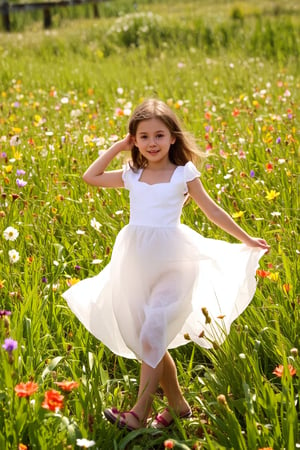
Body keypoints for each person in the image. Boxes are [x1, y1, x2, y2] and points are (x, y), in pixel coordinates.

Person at [62, 98, 269, 431]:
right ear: (135, 141)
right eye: (143, 137)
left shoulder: (182, 173)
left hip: (175, 260)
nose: (151, 143)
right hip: (136, 261)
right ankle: (180, 408)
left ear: (173, 138)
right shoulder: (132, 173)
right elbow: (91, 176)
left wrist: (246, 240)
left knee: (154, 332)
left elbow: (212, 211)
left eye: (159, 135)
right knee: (150, 339)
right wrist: (117, 147)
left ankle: (138, 413)